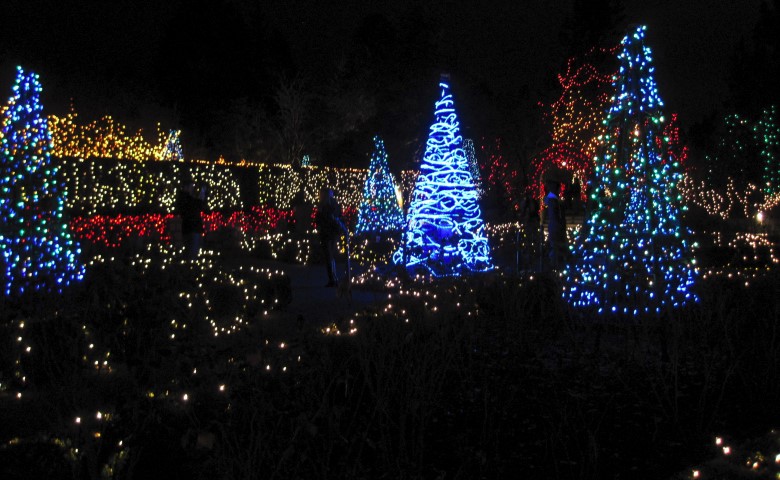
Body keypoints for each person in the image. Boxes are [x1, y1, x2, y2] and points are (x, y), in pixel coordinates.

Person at [315, 187, 347, 287]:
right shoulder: (334, 205)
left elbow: (321, 219)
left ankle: (333, 278)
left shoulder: (325, 206)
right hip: (332, 233)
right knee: (330, 255)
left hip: (327, 232)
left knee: (329, 255)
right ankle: (333, 278)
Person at [176, 181, 206, 260]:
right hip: (192, 228)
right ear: (186, 187)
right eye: (190, 186)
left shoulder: (185, 198)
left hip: (191, 228)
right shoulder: (185, 199)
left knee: (192, 250)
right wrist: (200, 198)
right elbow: (195, 208)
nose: (192, 188)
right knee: (192, 252)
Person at [544, 180, 567, 270]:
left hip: (556, 225)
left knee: (556, 245)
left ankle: (555, 263)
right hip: (556, 225)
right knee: (556, 245)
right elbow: (556, 214)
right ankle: (555, 264)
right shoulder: (553, 200)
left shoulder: (553, 200)